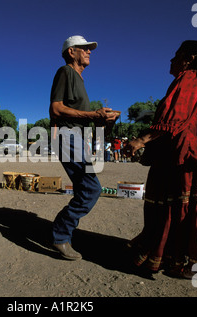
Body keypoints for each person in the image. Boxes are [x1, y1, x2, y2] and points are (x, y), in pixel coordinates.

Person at [127, 40, 197, 279]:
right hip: (193, 159)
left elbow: (175, 118)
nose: (171, 60)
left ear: (189, 58)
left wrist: (141, 140)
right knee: (181, 208)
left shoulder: (192, 78)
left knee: (185, 207)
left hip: (190, 161)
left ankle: (196, 266)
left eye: (176, 56)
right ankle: (177, 257)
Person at [49, 35, 118, 260]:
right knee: (91, 188)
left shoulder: (79, 79)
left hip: (77, 137)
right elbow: (56, 109)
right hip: (67, 135)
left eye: (90, 49)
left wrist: (104, 119)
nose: (89, 52)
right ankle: (60, 234)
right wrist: (92, 114)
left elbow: (85, 118)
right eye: (85, 48)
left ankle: (62, 234)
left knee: (84, 188)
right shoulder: (65, 72)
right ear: (72, 52)